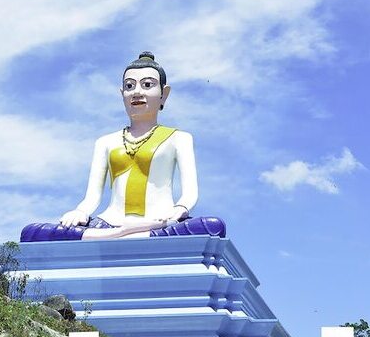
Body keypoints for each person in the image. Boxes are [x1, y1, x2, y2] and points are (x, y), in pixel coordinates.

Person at [21, 52, 225, 242]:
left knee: (212, 226)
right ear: (122, 93)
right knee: (32, 232)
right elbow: (92, 197)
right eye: (129, 86)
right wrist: (80, 212)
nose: (137, 92)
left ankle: (119, 236)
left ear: (164, 94)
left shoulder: (179, 138)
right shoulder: (106, 142)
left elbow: (190, 193)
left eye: (147, 85)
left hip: (161, 221)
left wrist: (180, 208)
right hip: (108, 223)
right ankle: (125, 234)